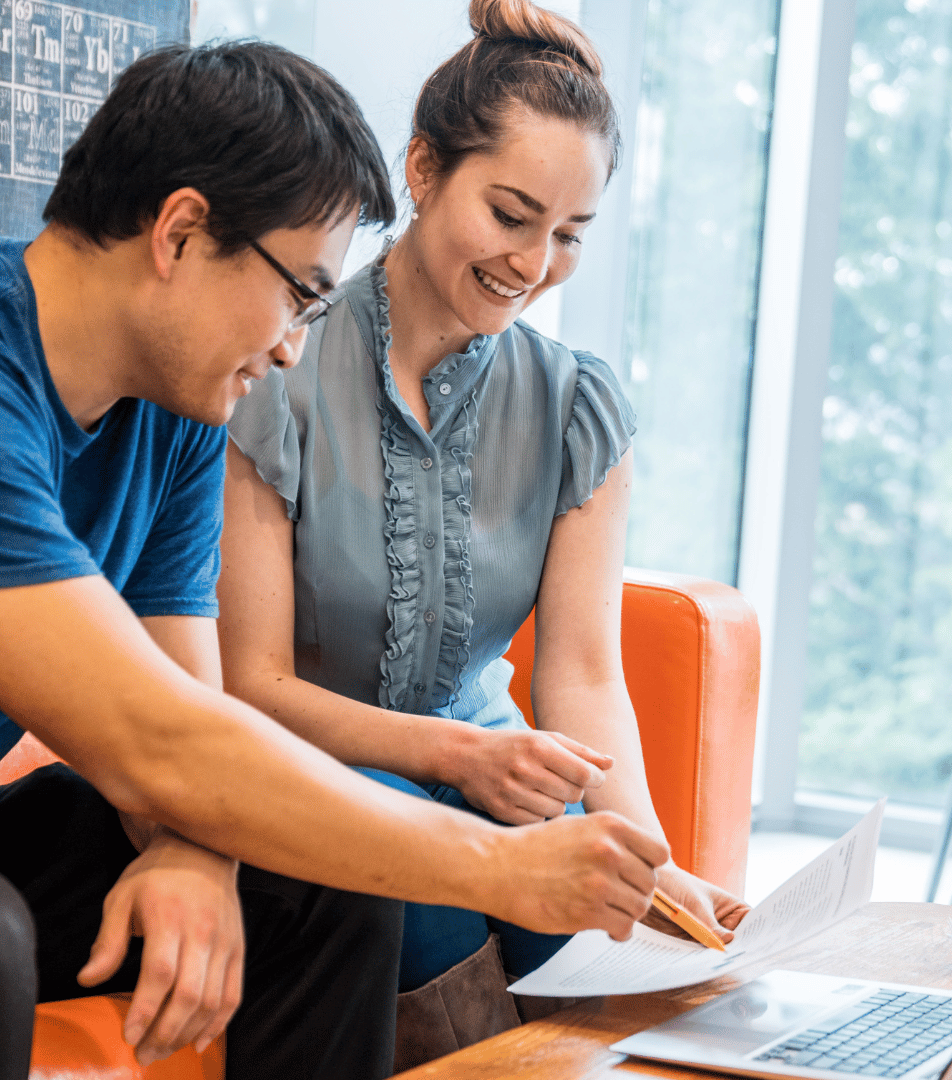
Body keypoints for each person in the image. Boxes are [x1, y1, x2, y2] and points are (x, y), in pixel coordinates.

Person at [0, 39, 671, 1080]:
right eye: (300, 294)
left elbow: (192, 708)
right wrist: (501, 867)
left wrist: (194, 848)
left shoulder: (177, 410)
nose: (293, 348)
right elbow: (152, 738)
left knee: (328, 878)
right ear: (181, 232)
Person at [221, 0, 751, 1066]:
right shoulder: (272, 368)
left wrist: (647, 859)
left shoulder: (577, 405)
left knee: (606, 923)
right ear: (423, 171)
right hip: (314, 780)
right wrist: (462, 756)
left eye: (570, 234)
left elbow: (584, 678)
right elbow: (252, 686)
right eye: (511, 215)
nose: (536, 261)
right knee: (431, 904)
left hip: (496, 780)